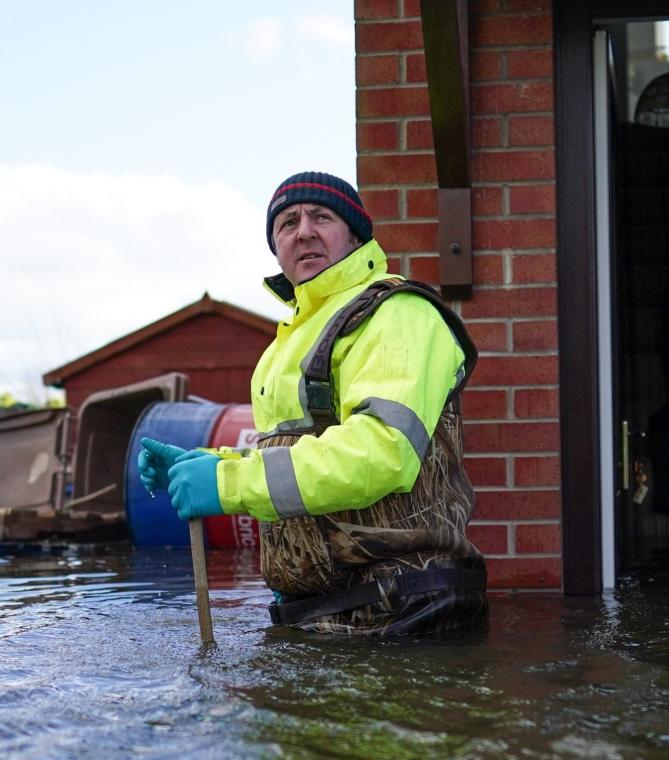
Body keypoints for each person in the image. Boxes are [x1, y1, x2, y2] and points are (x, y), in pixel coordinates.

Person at [137, 171, 487, 636]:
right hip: (324, 614)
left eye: (321, 216)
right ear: (277, 249)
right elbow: (298, 453)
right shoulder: (291, 339)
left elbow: (380, 452)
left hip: (404, 610)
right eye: (286, 222)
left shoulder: (398, 314)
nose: (303, 231)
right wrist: (211, 463)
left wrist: (228, 482)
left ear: (354, 235)